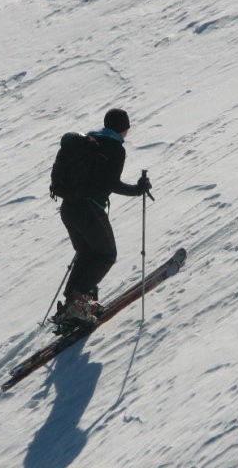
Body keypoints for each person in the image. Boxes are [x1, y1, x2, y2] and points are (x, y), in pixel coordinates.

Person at [57, 108, 152, 325]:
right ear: (124, 129)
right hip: (89, 210)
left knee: (87, 253)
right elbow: (111, 183)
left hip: (69, 208)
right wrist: (138, 189)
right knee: (106, 255)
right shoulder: (115, 148)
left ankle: (75, 303)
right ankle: (77, 303)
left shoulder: (90, 141)